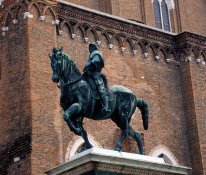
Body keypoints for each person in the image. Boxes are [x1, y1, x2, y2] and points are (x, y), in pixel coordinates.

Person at [83, 43, 111, 113]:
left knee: (100, 88)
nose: (90, 48)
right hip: (88, 74)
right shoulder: (91, 55)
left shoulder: (96, 53)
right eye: (90, 47)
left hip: (96, 74)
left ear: (95, 47)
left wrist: (89, 64)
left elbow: (96, 60)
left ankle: (106, 106)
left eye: (92, 47)